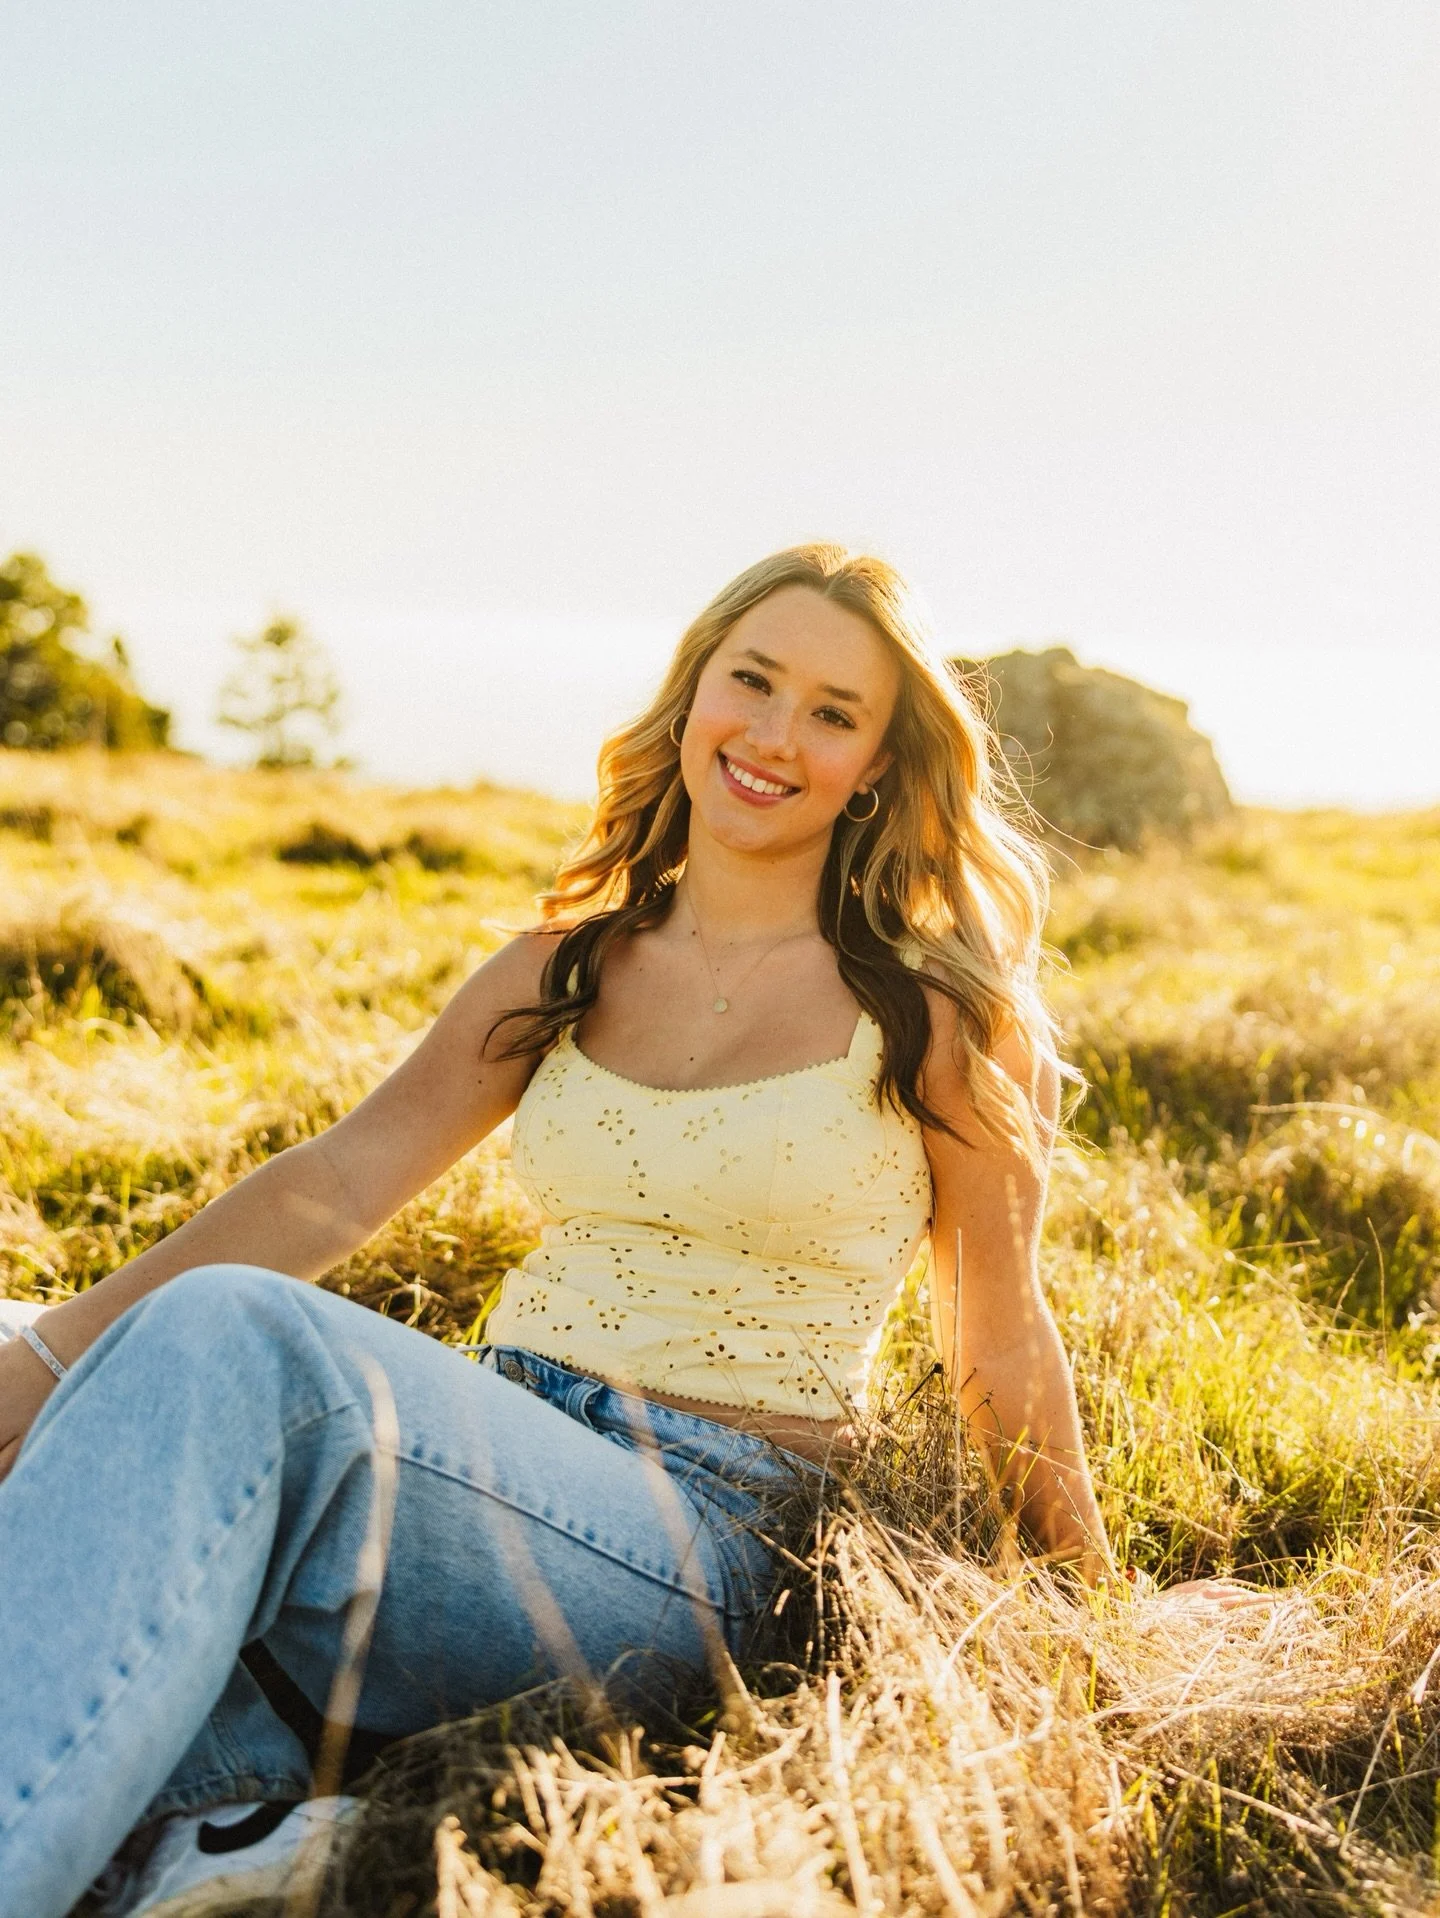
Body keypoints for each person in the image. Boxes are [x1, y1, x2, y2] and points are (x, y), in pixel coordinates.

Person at [0, 544, 1244, 1918]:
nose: (775, 735)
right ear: (694, 690)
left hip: (706, 1543)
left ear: (879, 765)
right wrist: (44, 1355)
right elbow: (332, 1184)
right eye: (752, 681)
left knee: (227, 1345)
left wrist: (1098, 1626)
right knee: (82, 1382)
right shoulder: (566, 967)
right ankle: (232, 1819)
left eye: (833, 712)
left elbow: (998, 1339)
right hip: (492, 1460)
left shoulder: (937, 1013)